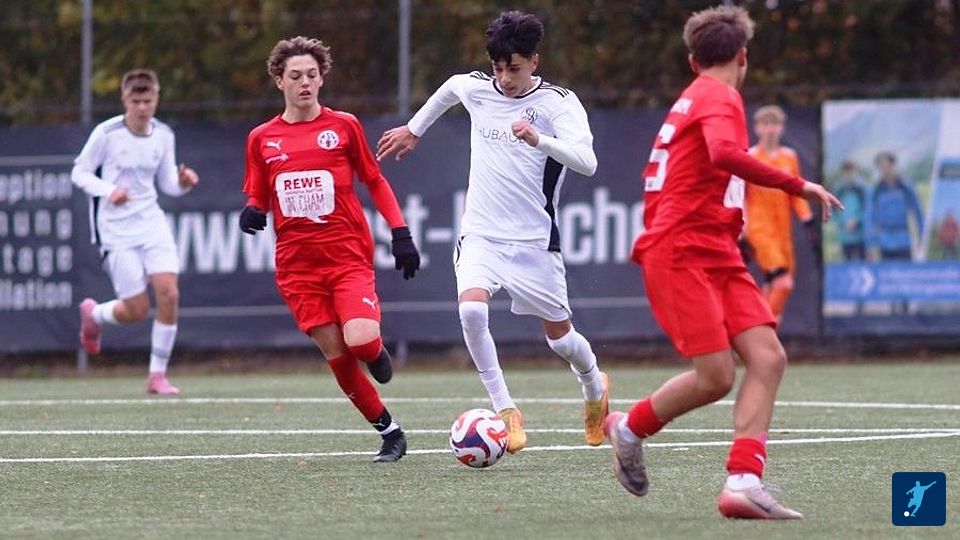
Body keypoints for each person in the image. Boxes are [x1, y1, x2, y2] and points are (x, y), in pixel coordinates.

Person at [603, 6, 842, 519]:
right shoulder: (719, 94)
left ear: (693, 60)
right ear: (743, 56)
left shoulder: (695, 95)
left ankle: (744, 481)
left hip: (715, 248)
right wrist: (797, 184)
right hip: (682, 249)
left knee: (768, 357)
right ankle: (629, 429)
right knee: (715, 375)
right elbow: (724, 153)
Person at [376, 11, 609, 454]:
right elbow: (451, 87)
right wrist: (414, 129)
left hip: (534, 242)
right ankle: (505, 411)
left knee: (561, 340)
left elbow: (588, 162)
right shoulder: (480, 89)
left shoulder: (558, 104)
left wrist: (540, 140)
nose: (504, 78)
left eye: (514, 68)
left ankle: (595, 386)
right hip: (481, 234)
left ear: (535, 61)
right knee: (471, 312)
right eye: (498, 68)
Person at [239, 36, 421, 462]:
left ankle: (375, 352)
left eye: (312, 75)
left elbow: (374, 180)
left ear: (322, 79)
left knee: (360, 342)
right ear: (279, 81)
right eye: (295, 76)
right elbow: (259, 193)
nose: (304, 83)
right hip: (297, 269)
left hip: (346, 258)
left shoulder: (343, 126)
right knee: (337, 354)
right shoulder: (261, 138)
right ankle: (390, 434)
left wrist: (400, 233)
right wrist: (252, 210)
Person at [72, 69, 199, 395]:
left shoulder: (163, 134)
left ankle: (157, 376)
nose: (142, 107)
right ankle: (94, 314)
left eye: (148, 100)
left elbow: (167, 183)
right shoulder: (107, 133)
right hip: (115, 230)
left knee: (169, 293)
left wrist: (183, 184)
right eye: (136, 101)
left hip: (151, 222)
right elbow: (80, 172)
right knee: (136, 310)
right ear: (124, 100)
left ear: (156, 99)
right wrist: (108, 190)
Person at [742, 105, 817, 324]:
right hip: (760, 229)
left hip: (783, 231)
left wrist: (807, 219)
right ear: (757, 128)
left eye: (774, 124)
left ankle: (762, 334)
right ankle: (760, 327)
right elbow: (741, 195)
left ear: (782, 128)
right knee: (783, 283)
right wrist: (743, 226)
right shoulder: (750, 157)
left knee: (773, 286)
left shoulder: (789, 157)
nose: (770, 129)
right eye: (766, 124)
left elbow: (796, 193)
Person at [868, 151, 923, 261]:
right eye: (881, 168)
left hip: (904, 241)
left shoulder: (906, 189)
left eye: (887, 166)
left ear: (894, 166)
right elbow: (870, 218)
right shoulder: (876, 191)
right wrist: (871, 244)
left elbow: (918, 213)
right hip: (884, 243)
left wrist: (922, 237)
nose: (885, 170)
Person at [835, 160, 868, 261]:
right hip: (845, 238)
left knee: (863, 266)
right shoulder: (839, 191)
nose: (849, 175)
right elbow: (835, 211)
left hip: (861, 237)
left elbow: (867, 210)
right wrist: (843, 223)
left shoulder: (862, 190)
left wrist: (857, 220)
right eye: (846, 172)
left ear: (856, 172)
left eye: (851, 171)